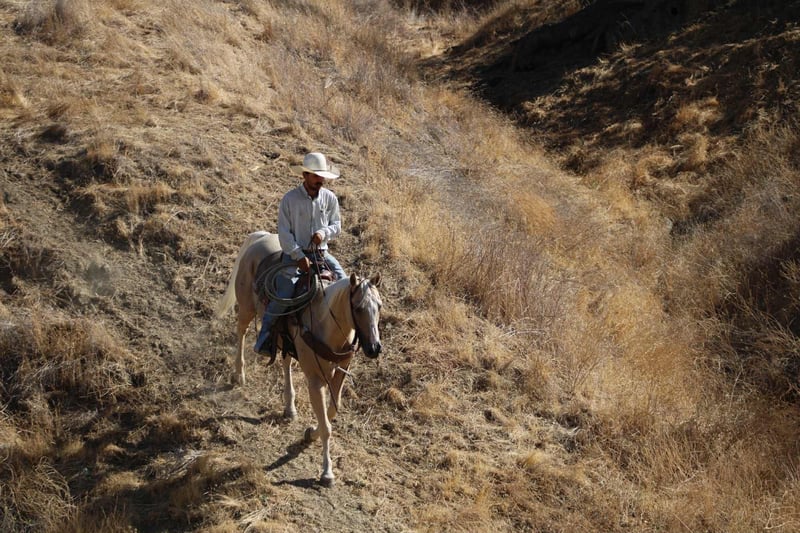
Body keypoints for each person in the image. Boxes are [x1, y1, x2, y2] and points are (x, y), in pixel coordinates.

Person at [254, 152, 347, 356]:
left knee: (345, 283)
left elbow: (337, 225)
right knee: (285, 293)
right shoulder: (290, 199)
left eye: (321, 176)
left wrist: (323, 233)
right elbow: (284, 233)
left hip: (321, 254)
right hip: (294, 256)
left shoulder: (329, 198)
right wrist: (298, 255)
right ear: (305, 175)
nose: (319, 180)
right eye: (315, 176)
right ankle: (265, 336)